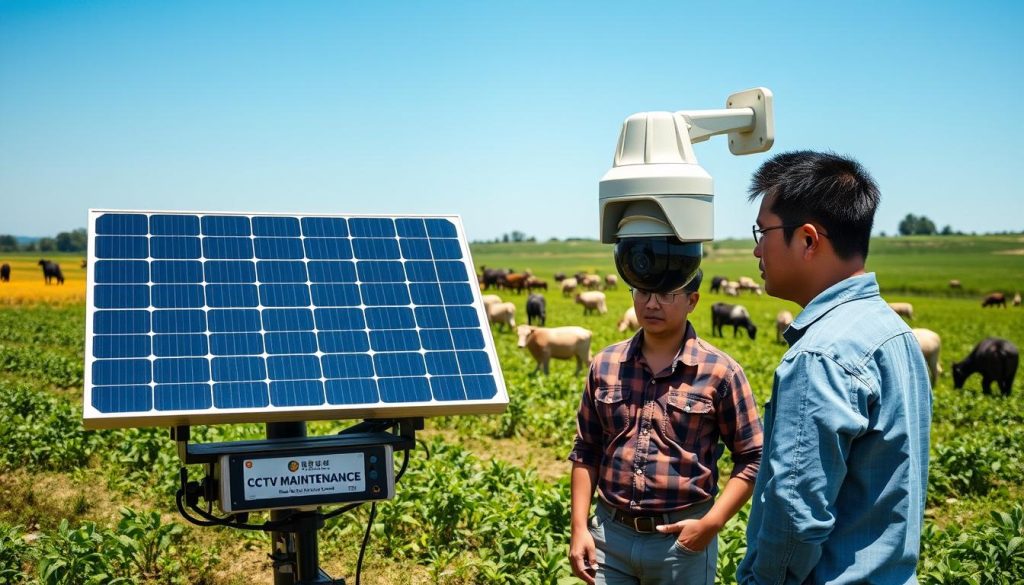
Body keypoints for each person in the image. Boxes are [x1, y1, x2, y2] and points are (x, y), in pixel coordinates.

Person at [737, 151, 932, 584]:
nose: (756, 248)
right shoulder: (894, 332)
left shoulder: (820, 355)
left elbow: (795, 512)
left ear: (808, 240)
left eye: (762, 231)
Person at [568, 269, 764, 584]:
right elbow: (586, 448)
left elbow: (754, 455)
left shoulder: (721, 372)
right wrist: (579, 528)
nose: (652, 304)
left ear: (692, 301)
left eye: (666, 294)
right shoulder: (605, 364)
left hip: (681, 541)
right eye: (643, 292)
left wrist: (712, 523)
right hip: (609, 536)